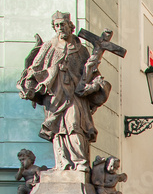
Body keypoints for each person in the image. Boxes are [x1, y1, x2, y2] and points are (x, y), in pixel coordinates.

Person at [17, 12, 112, 170]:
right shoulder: (49, 45)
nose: (60, 28)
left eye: (62, 24)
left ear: (70, 26)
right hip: (55, 92)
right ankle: (63, 162)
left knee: (75, 123)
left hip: (75, 92)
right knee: (58, 128)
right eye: (56, 25)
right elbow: (35, 67)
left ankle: (79, 161)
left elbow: (91, 71)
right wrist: (30, 84)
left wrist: (95, 85)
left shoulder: (81, 49)